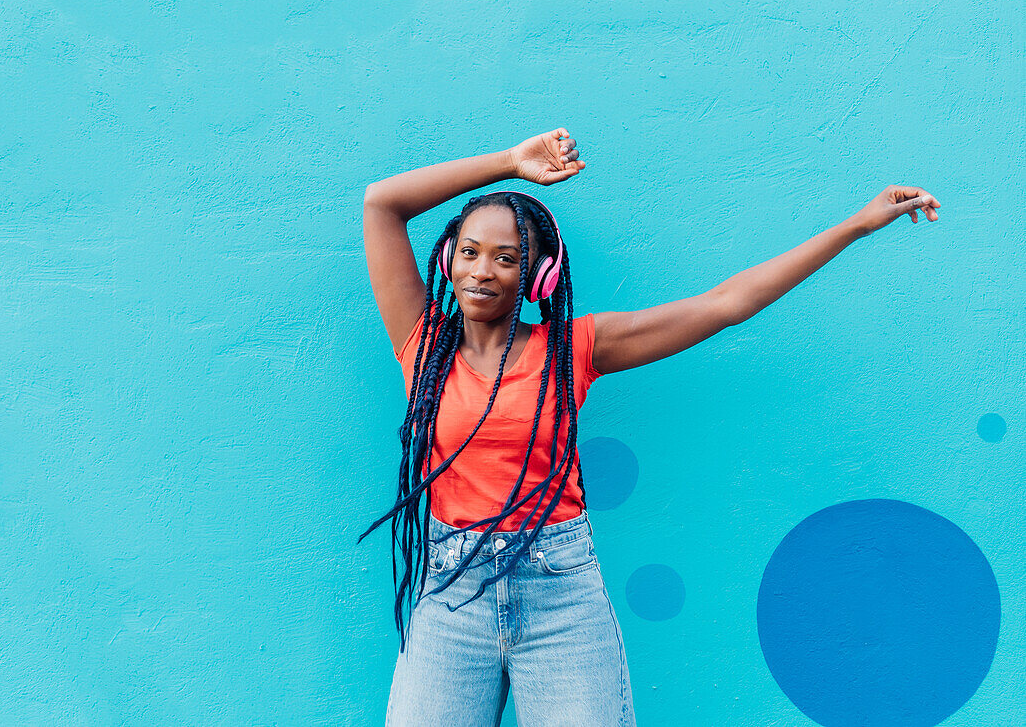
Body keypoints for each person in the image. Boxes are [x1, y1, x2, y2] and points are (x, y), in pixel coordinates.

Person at [357, 127, 940, 726]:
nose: (483, 271)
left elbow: (725, 304)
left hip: (561, 597)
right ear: (449, 258)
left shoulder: (576, 347)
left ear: (538, 279)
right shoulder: (422, 342)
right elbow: (383, 203)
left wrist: (856, 226)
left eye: (508, 258)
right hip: (450, 594)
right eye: (471, 251)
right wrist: (509, 164)